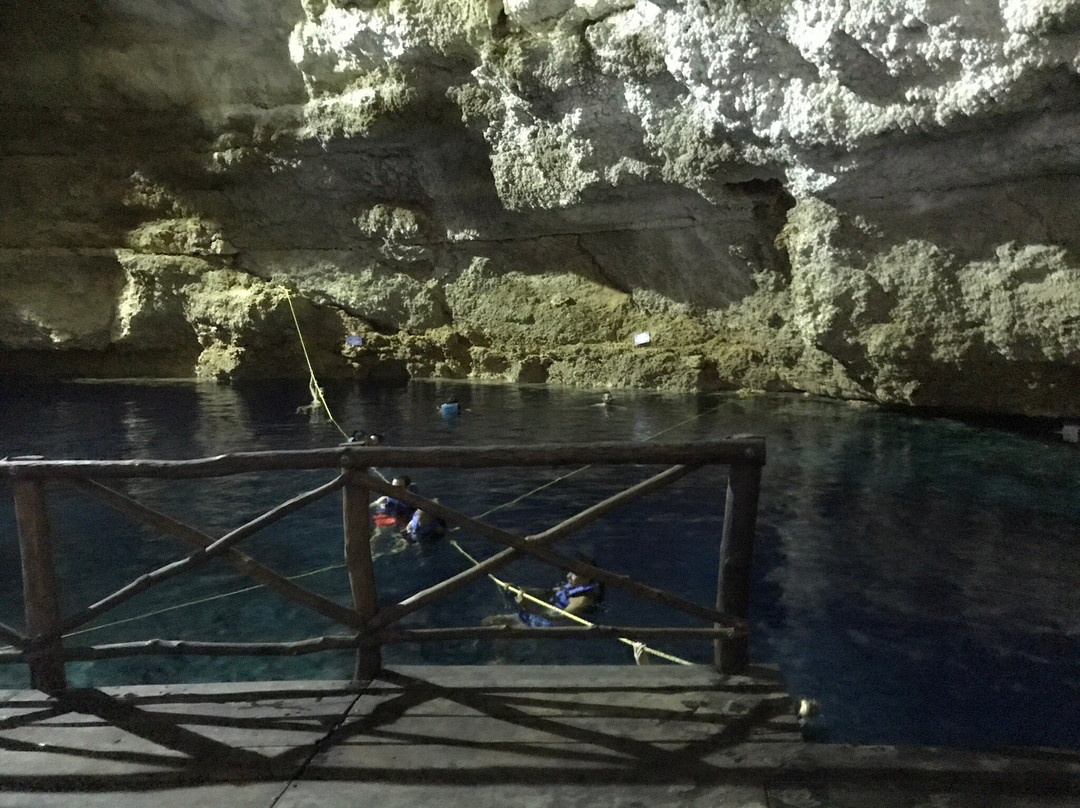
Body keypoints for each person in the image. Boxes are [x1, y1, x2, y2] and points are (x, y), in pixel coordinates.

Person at [515, 565, 604, 627]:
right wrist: (525, 591)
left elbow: (559, 618)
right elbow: (548, 593)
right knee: (501, 619)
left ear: (587, 577)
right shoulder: (572, 586)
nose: (568, 575)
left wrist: (530, 607)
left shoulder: (582, 600)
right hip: (537, 618)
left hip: (546, 627)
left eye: (574, 574)